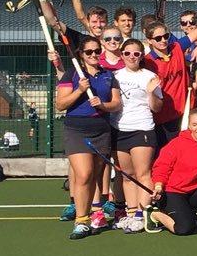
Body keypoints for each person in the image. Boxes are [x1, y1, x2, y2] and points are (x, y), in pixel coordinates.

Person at [54, 37, 120, 239]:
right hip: (77, 129)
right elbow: (61, 104)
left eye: (96, 51)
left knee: (96, 176)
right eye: (88, 52)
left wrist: (103, 105)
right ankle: (81, 221)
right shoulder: (72, 74)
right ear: (81, 55)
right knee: (84, 174)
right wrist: (80, 90)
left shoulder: (108, 76)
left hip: (101, 129)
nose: (93, 55)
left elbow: (116, 103)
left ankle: (96, 213)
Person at [110, 39, 161, 233]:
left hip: (142, 128)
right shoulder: (114, 76)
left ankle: (141, 215)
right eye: (127, 53)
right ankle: (131, 214)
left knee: (143, 174)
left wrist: (151, 93)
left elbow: (157, 107)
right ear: (121, 54)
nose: (131, 57)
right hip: (119, 129)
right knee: (127, 175)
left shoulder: (149, 77)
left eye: (136, 54)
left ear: (142, 56)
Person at [141, 20, 192, 145]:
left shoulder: (176, 48)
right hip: (162, 115)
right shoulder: (147, 62)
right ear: (149, 41)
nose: (163, 40)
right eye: (158, 38)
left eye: (166, 36)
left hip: (184, 111)